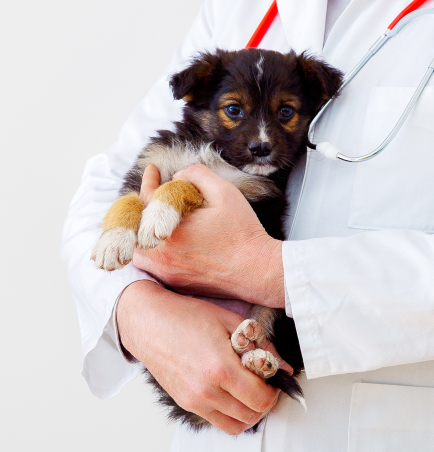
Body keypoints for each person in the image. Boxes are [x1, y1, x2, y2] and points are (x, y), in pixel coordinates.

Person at [61, 0, 434, 450]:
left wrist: (271, 272)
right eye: (235, 111)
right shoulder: (236, 9)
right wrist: (137, 311)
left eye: (284, 114)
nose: (260, 139)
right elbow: (114, 184)